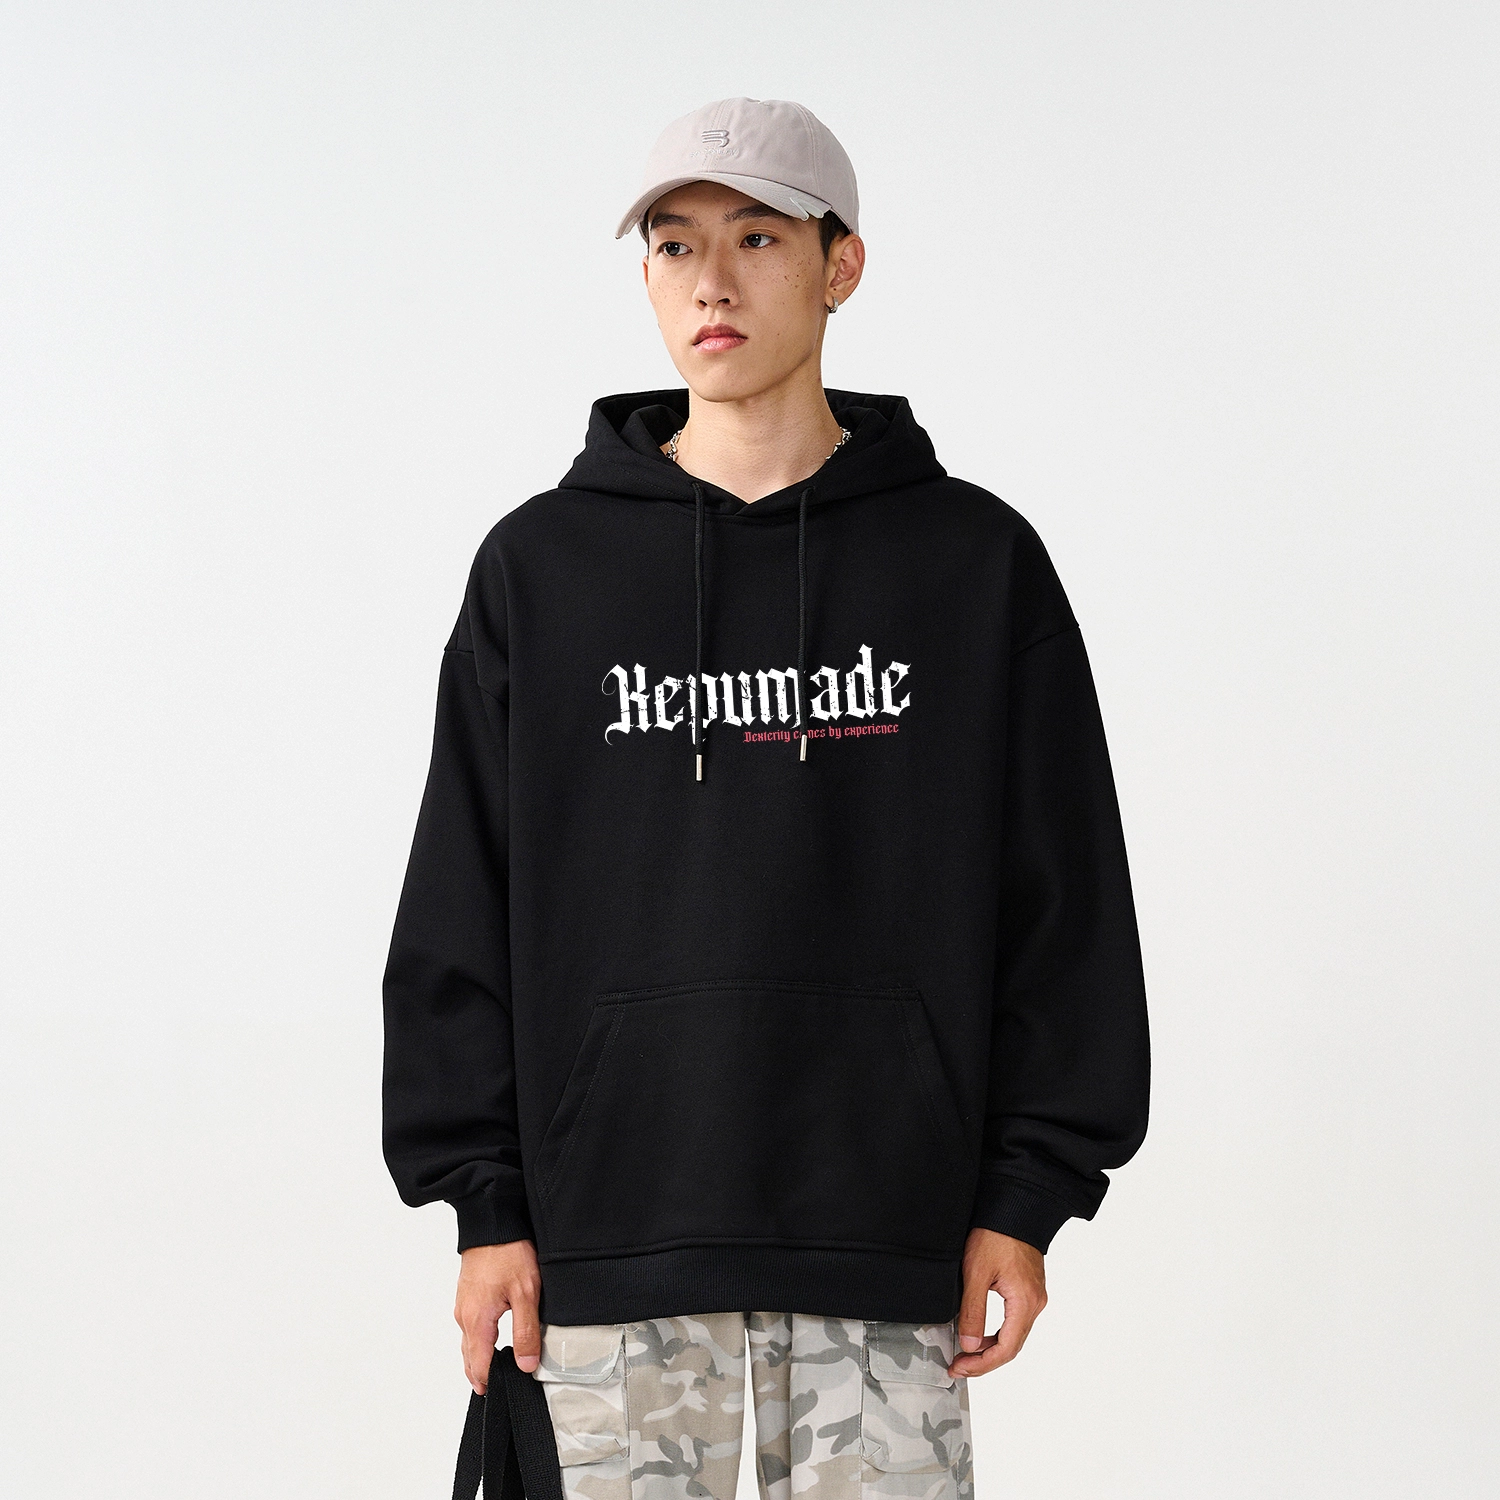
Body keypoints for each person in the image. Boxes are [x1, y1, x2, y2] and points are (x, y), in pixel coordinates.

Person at [382, 95, 1151, 1500]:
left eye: (756, 238)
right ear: (647, 278)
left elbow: (1066, 904)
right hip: (608, 1245)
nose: (712, 284)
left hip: (889, 1240)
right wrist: (483, 1205)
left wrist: (1028, 1195)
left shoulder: (974, 565)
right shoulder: (540, 572)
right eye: (676, 246)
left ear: (840, 265)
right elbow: (459, 903)